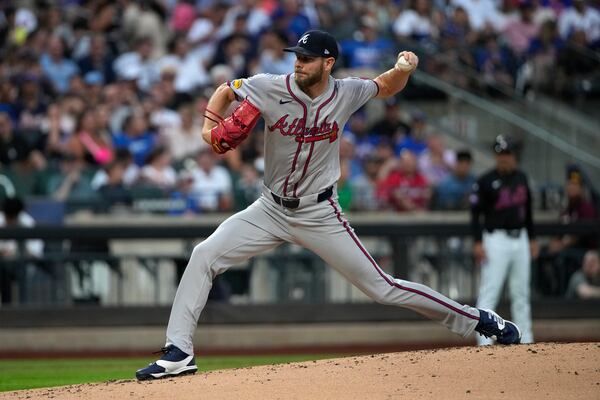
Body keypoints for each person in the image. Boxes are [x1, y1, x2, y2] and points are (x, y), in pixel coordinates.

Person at [136, 30, 521, 381]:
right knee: (204, 254)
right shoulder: (270, 86)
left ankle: (478, 320)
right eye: (296, 56)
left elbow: (386, 86)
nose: (298, 62)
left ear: (328, 63)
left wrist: (402, 68)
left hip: (320, 213)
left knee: (383, 287)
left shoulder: (347, 92)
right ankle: (179, 352)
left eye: (306, 57)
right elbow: (226, 88)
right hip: (269, 209)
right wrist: (209, 124)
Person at [470, 134, 538, 345]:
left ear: (514, 156)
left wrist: (532, 239)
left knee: (521, 293)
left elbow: (528, 212)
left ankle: (526, 340)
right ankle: (484, 343)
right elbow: (475, 215)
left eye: (507, 153)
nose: (504, 158)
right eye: (500, 154)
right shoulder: (485, 181)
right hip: (496, 240)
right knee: (490, 292)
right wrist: (477, 242)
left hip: (520, 239)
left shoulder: (522, 178)